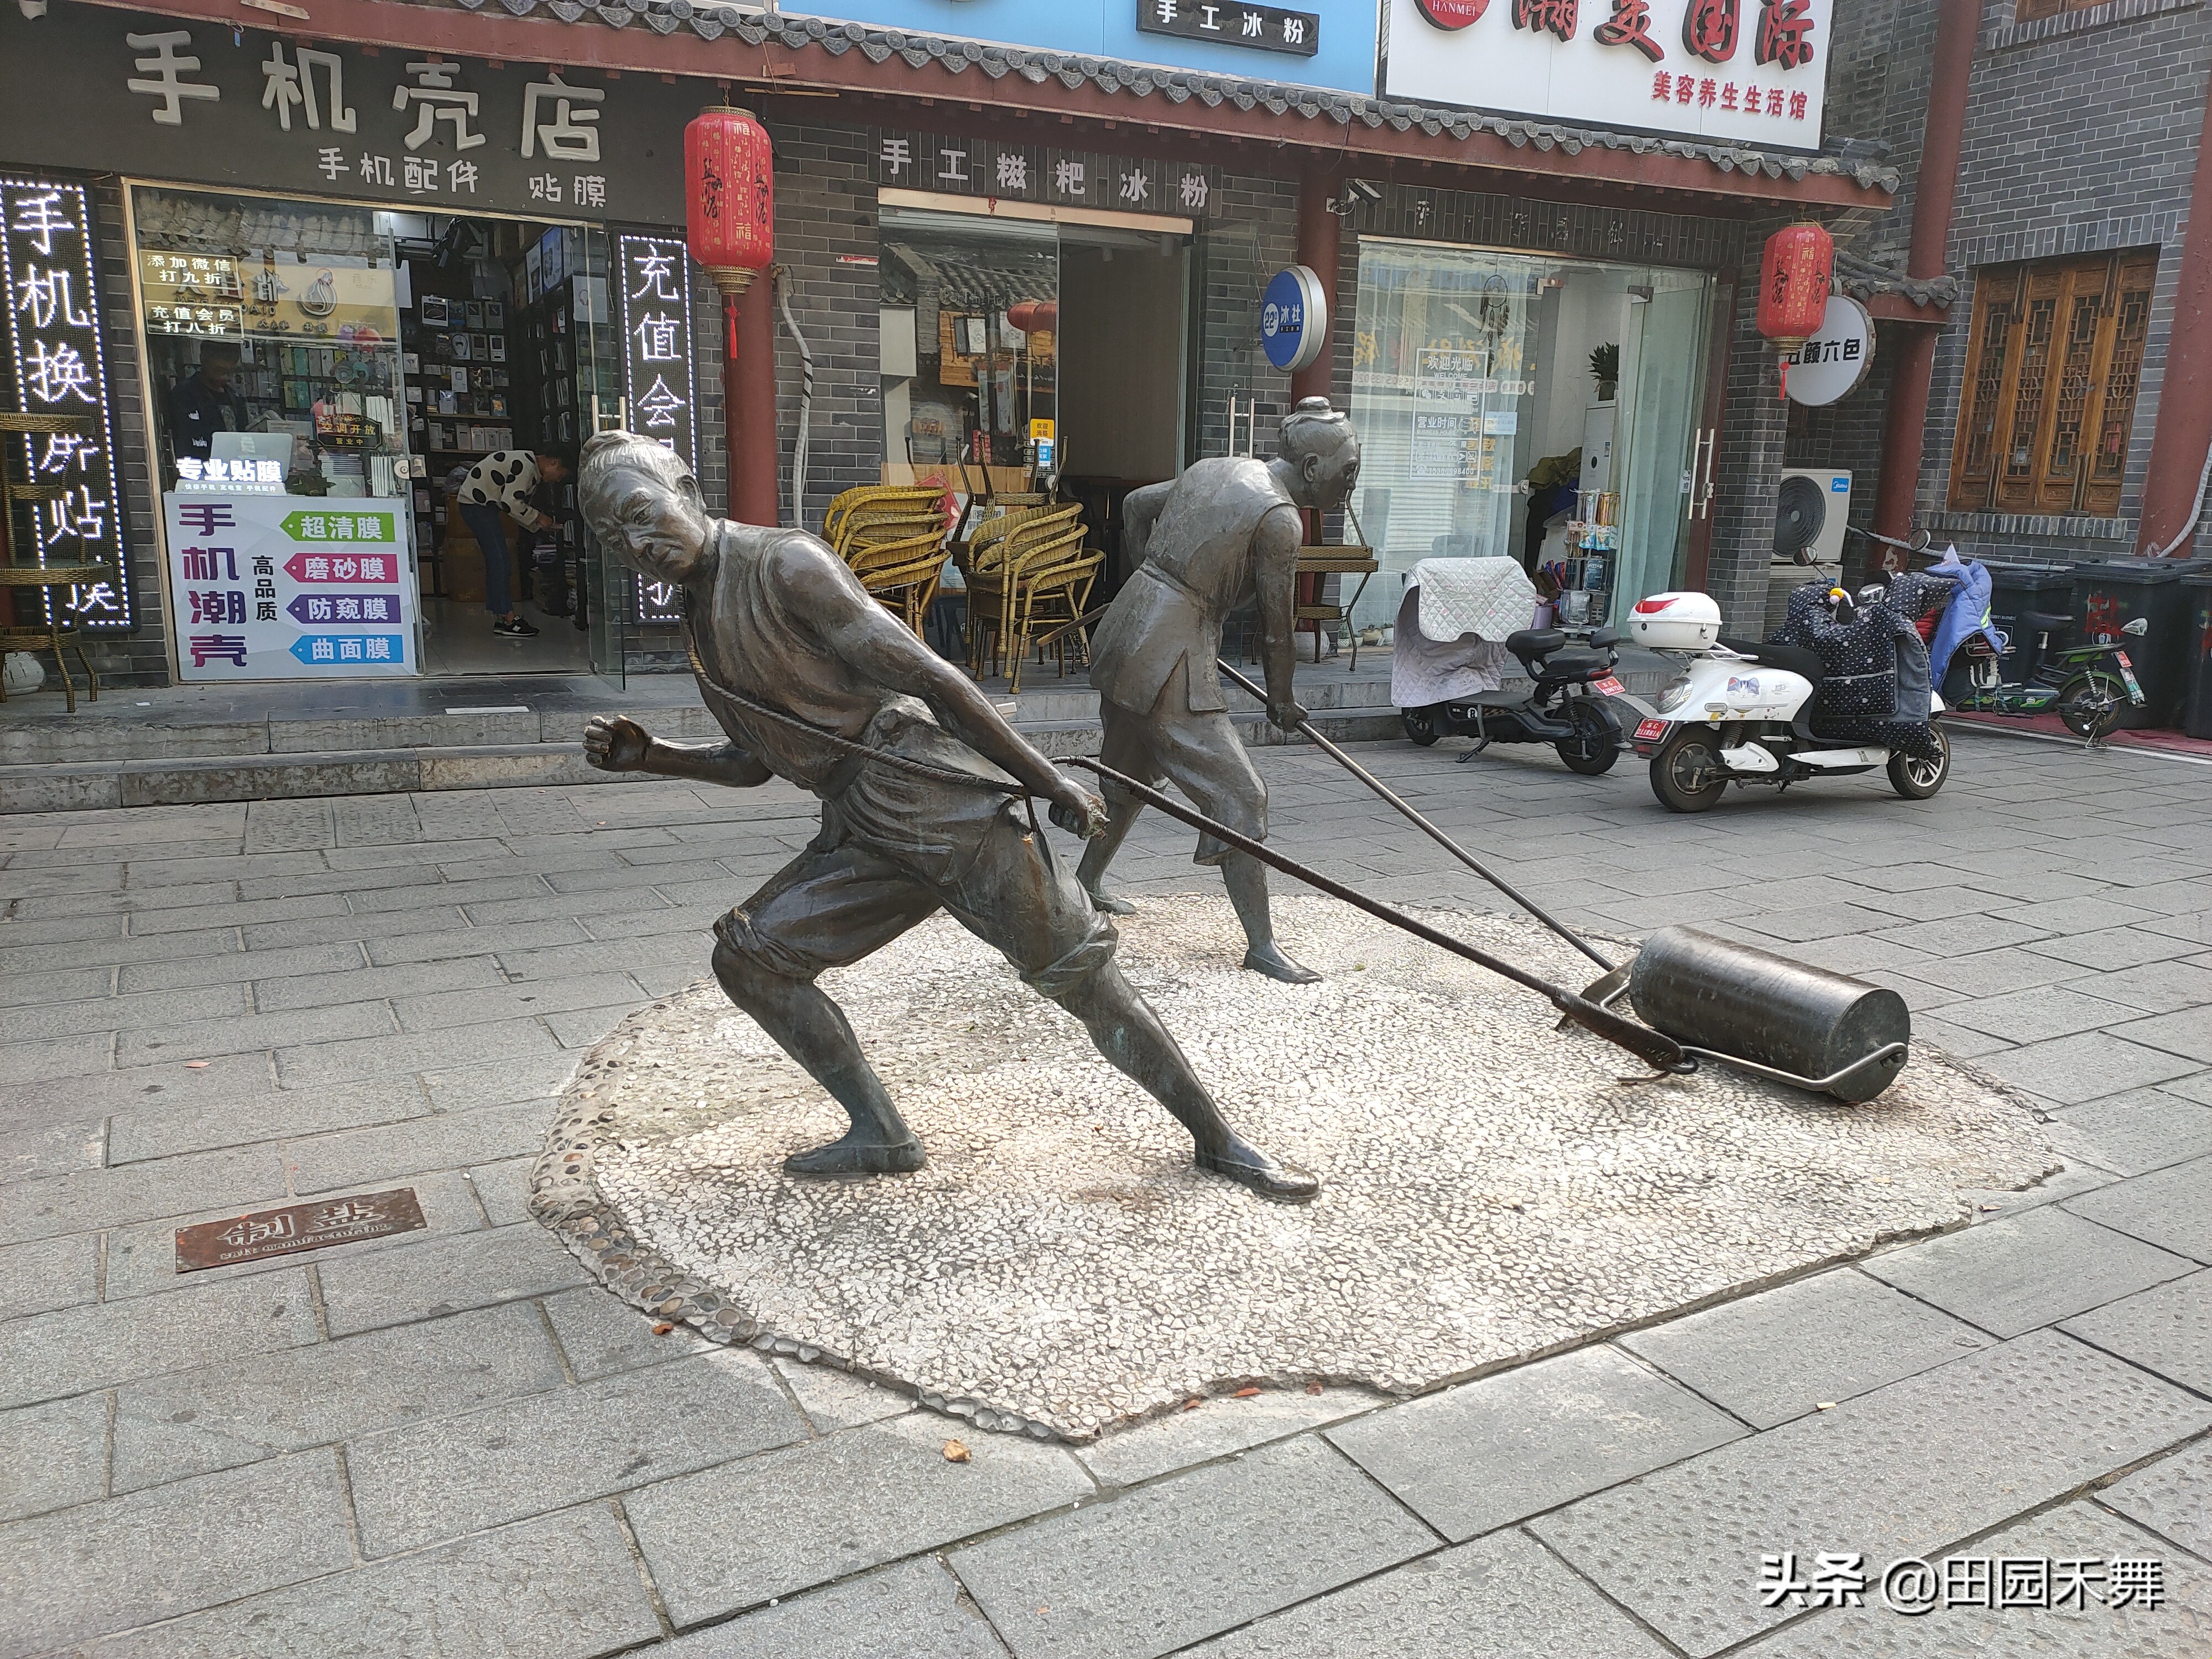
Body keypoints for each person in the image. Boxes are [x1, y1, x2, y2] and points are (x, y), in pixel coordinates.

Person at [575, 429, 1317, 1202]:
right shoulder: (701, 617)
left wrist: (1046, 783)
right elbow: (756, 759)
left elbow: (936, 678)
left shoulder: (785, 565)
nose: (638, 545)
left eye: (642, 514)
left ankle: (1220, 1140)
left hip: (940, 801)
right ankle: (881, 1132)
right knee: (749, 961)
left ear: (687, 493)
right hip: (861, 826)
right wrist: (654, 756)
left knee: (1083, 981)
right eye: (614, 539)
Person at [1076, 397, 1362, 984]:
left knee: (1128, 772)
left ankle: (1084, 882)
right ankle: (1262, 946)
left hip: (1126, 628)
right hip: (1170, 655)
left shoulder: (1217, 467)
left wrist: (1156, 579)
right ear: (1312, 468)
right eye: (1349, 471)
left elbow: (1135, 507)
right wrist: (1281, 699)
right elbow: (1277, 630)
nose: (1351, 485)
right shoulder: (1280, 520)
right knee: (1241, 795)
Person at [457, 447, 570, 637]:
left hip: (479, 505)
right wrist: (539, 517)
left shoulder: (527, 463)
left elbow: (513, 505)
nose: (557, 480)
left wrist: (538, 524)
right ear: (554, 463)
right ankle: (508, 619)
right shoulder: (526, 466)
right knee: (500, 562)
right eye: (560, 475)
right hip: (476, 505)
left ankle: (502, 617)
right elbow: (511, 504)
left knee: (498, 561)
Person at [167, 341, 250, 469]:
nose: (225, 377)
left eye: (230, 372)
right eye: (219, 371)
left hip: (234, 467)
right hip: (198, 466)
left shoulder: (235, 398)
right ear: (203, 360)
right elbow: (182, 439)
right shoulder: (185, 394)